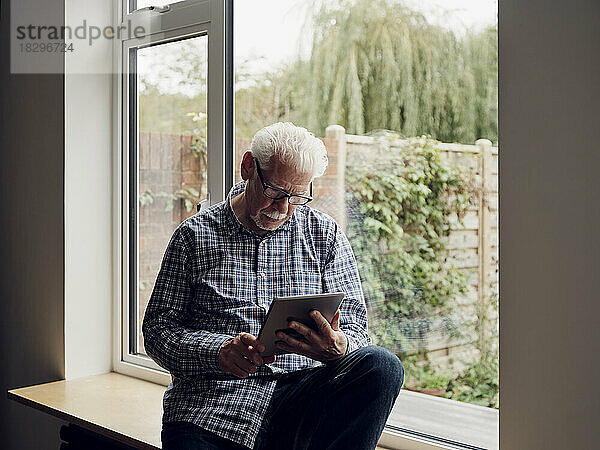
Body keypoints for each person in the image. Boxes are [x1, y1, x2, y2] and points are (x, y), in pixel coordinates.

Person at [142, 122, 404, 450]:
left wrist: (338, 347)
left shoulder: (325, 235)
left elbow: (358, 331)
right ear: (248, 166)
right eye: (275, 192)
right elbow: (157, 331)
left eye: (297, 197)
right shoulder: (194, 237)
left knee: (383, 366)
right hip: (214, 407)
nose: (282, 209)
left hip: (304, 401)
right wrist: (218, 352)